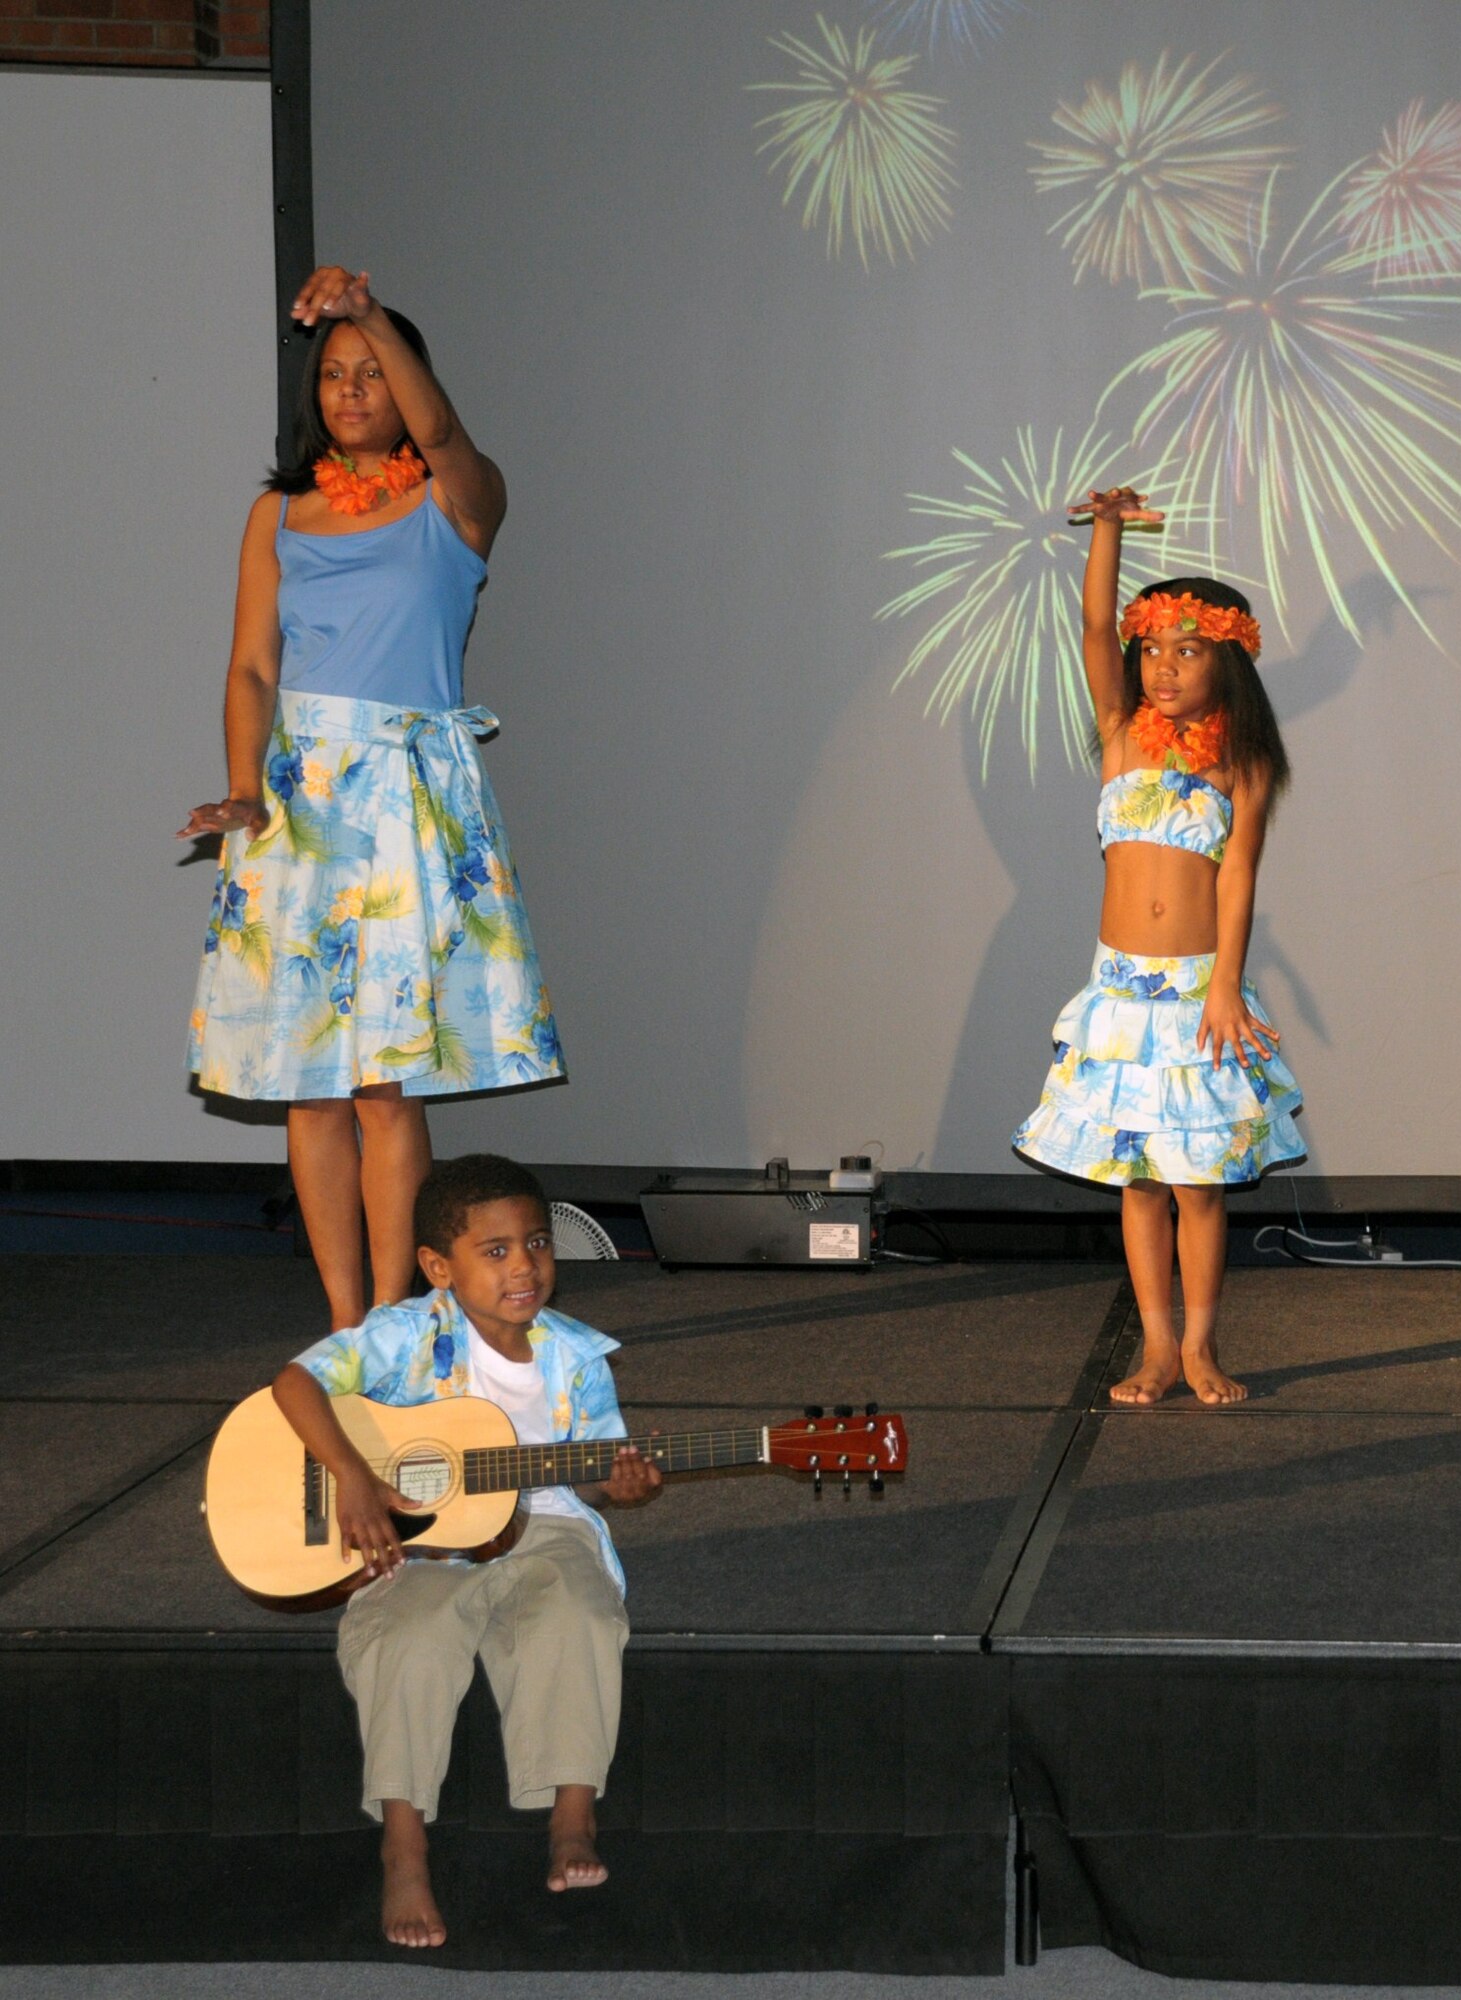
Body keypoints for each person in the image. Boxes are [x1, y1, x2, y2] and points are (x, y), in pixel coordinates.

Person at [180, 266, 564, 1329]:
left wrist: (364, 308)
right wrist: (243, 792)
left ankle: (399, 1313)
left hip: (402, 796)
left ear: (407, 379)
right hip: (297, 800)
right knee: (308, 1086)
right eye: (333, 372)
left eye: (371, 369)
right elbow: (252, 665)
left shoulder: (456, 498)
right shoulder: (278, 512)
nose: (350, 388)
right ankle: (346, 1322)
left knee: (385, 1086)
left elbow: (443, 434)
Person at [272, 1153, 662, 1947]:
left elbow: (591, 1471)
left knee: (581, 1616)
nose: (525, 1266)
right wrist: (351, 1475)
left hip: (545, 1520)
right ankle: (404, 1845)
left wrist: (617, 1486)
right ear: (436, 1267)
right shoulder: (404, 1333)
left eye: (539, 1244)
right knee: (407, 1641)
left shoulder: (577, 1354)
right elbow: (294, 1385)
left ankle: (572, 1817)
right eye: (496, 1251)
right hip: (423, 1546)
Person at [1012, 487, 1303, 1404]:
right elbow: (1095, 624)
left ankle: (1206, 1347)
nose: (1165, 668)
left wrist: (1226, 988)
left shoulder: (1240, 763)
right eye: (1156, 650)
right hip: (1119, 994)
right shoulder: (1120, 735)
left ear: (1228, 662)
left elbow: (1239, 878)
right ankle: (1155, 1348)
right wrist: (1106, 529)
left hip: (1195, 993)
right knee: (1139, 1181)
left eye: (1189, 651)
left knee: (1200, 1186)